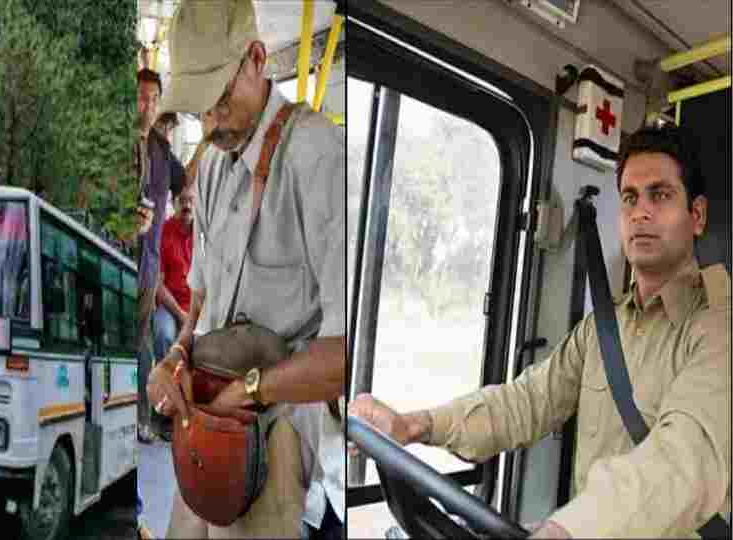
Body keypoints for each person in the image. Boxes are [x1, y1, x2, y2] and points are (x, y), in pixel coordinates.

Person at [351, 125, 731, 539]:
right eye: (629, 198)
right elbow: (525, 402)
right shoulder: (602, 329)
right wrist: (412, 426)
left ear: (696, 216)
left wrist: (564, 531)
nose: (641, 212)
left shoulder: (719, 328)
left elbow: (682, 459)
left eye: (660, 195)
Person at [146, 1, 346, 538]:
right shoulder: (211, 164)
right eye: (199, 110)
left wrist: (251, 390)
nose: (210, 123)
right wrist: (177, 353)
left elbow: (343, 356)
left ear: (257, 59)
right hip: (212, 407)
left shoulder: (317, 154)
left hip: (278, 417)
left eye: (220, 100)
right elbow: (203, 291)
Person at [136, 68, 186, 443]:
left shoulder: (161, 149)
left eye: (154, 99)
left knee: (139, 341)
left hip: (147, 263)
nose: (148, 105)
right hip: (119, 252)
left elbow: (187, 181)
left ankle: (150, 416)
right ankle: (136, 415)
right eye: (142, 97)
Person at [154, 183, 195, 364]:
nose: (187, 206)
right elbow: (158, 285)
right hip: (170, 306)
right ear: (173, 203)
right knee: (163, 333)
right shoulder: (163, 232)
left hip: (198, 306)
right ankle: (165, 384)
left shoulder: (204, 232)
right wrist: (180, 314)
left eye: (191, 201)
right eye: (182, 201)